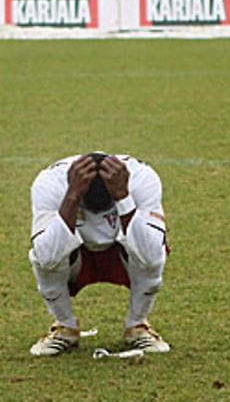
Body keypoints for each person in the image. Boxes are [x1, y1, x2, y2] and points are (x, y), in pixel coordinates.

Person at [28, 152, 170, 356]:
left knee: (152, 255)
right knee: (42, 258)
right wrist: (72, 195)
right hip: (76, 251)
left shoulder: (142, 179)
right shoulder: (50, 183)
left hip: (123, 250)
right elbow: (47, 256)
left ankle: (138, 326)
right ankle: (65, 327)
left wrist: (123, 197)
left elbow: (151, 254)